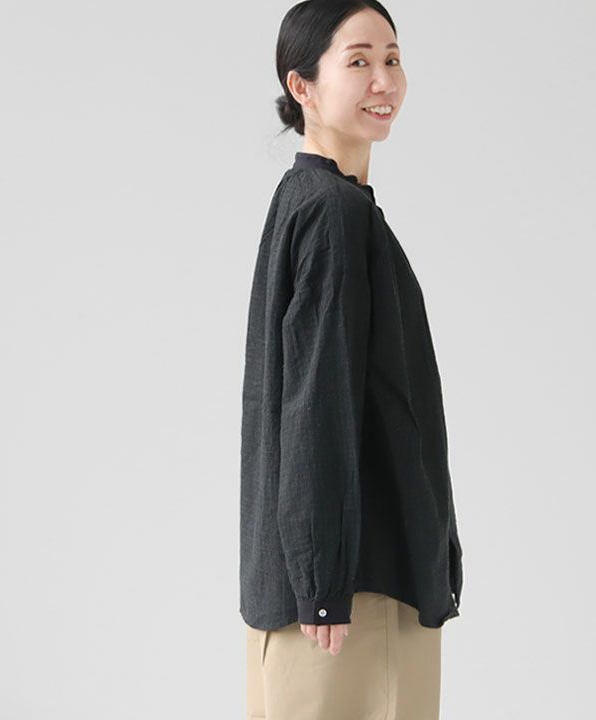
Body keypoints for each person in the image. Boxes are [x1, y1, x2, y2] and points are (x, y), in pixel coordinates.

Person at [240, 2, 464, 718]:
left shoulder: (309, 199)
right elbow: (316, 406)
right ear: (301, 85)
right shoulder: (334, 214)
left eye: (392, 59)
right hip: (355, 603)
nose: (384, 81)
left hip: (325, 594)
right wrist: (323, 582)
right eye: (359, 61)